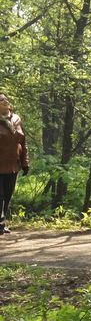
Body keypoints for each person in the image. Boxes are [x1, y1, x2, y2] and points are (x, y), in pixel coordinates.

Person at [0, 93, 29, 235]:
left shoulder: (16, 119)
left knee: (7, 195)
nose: (4, 101)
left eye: (5, 99)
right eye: (1, 100)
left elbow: (23, 141)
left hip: (13, 165)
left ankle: (2, 222)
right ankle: (0, 224)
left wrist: (25, 162)